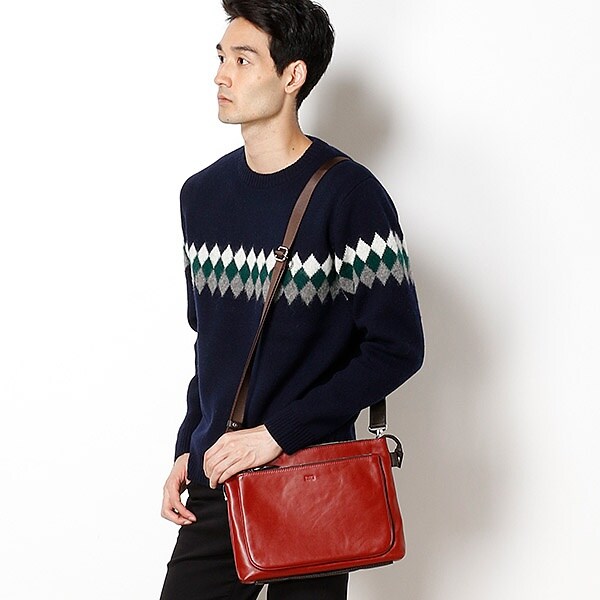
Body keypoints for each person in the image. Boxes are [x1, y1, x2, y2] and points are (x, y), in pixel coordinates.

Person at [159, 1, 425, 598]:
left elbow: (396, 348)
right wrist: (187, 445)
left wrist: (277, 433)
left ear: (292, 75)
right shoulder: (201, 196)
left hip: (311, 476)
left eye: (243, 60)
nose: (221, 75)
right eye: (221, 57)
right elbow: (213, 347)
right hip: (220, 471)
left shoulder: (350, 195)